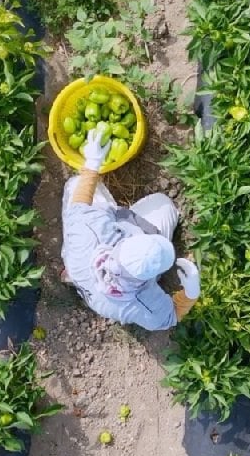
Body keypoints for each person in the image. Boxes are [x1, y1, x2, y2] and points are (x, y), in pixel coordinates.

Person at [61, 127, 201, 331]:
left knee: (75, 185)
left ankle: (73, 275)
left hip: (81, 264)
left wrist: (92, 163)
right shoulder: (143, 304)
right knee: (163, 204)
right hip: (104, 296)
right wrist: (191, 292)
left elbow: (79, 204)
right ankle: (74, 276)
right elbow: (172, 315)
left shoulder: (88, 231)